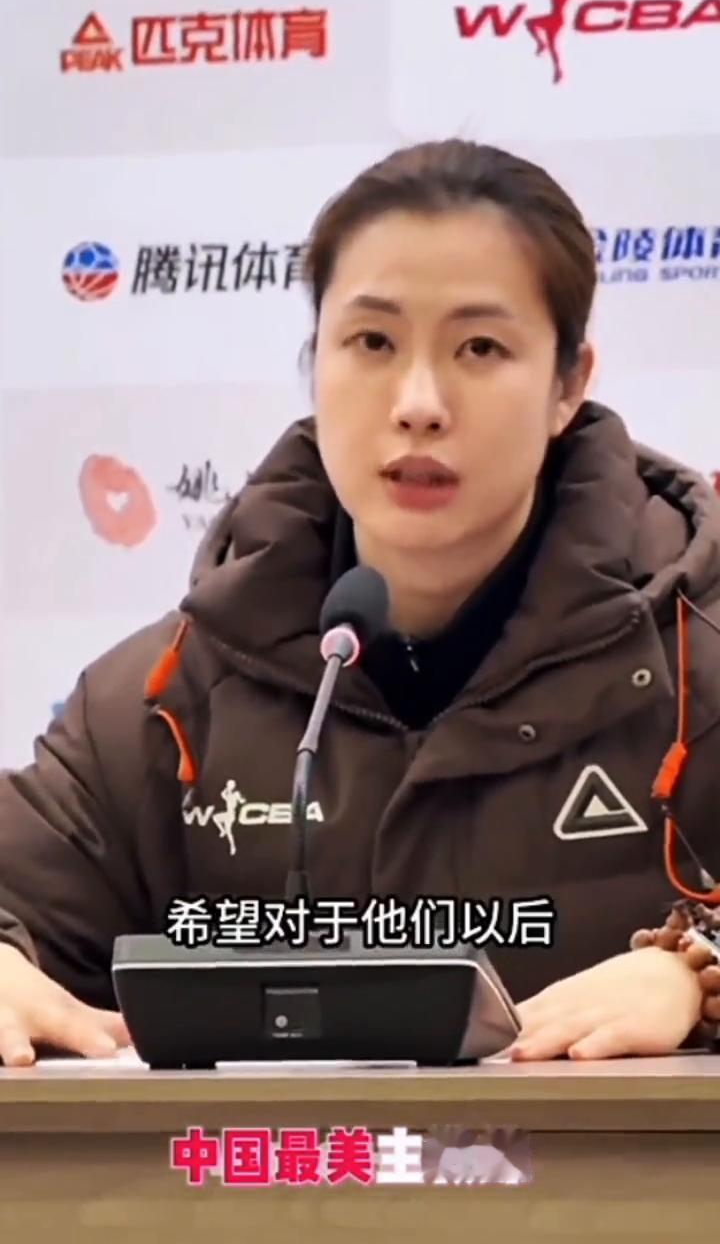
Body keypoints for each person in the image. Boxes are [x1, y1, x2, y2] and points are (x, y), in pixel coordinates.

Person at [1, 138, 720, 1069]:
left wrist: (698, 976)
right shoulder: (166, 695)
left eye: (480, 348)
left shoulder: (698, 661)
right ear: (316, 361)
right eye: (373, 343)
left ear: (568, 385)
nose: (418, 403)